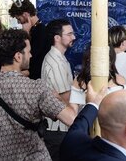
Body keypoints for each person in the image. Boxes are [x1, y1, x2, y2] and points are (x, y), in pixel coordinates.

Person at [0, 29, 76, 161]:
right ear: (18, 56)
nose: (31, 55)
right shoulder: (36, 88)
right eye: (28, 52)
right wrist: (75, 90)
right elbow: (72, 119)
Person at [61, 83, 126, 161]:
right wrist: (93, 104)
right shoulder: (73, 139)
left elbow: (79, 126)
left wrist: (93, 104)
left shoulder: (73, 143)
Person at [41, 19, 76, 161]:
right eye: (69, 34)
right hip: (57, 128)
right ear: (57, 38)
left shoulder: (60, 58)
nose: (73, 37)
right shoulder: (55, 62)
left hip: (61, 127)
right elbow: (66, 97)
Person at [70, 46, 126, 112]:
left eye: (103, 58)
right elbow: (73, 114)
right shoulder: (79, 80)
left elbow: (124, 109)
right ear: (89, 58)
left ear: (110, 59)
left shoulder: (120, 80)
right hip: (88, 119)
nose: (100, 61)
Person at [9, 0, 50, 80]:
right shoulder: (36, 29)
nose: (18, 22)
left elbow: (31, 56)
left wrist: (26, 34)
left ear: (26, 15)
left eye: (18, 19)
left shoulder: (40, 31)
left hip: (37, 78)